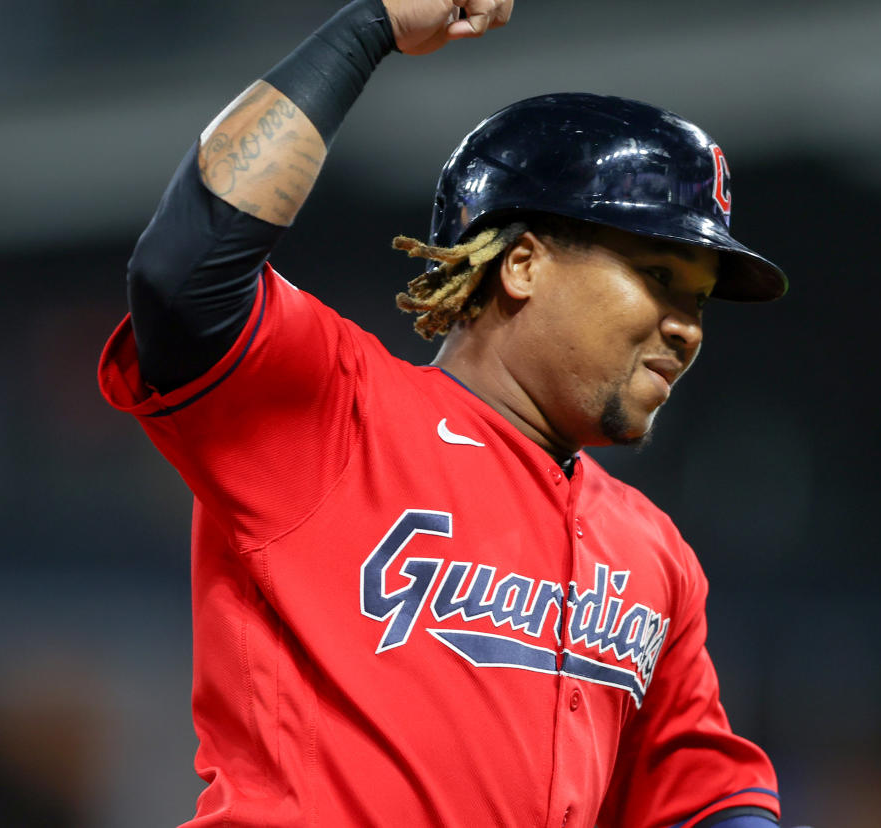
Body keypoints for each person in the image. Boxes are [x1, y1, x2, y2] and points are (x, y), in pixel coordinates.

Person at [98, 1, 794, 826]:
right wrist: (368, 28)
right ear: (525, 264)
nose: (686, 326)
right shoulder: (339, 414)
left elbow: (704, 796)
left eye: (701, 301)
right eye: (657, 276)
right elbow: (183, 272)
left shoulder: (653, 553)